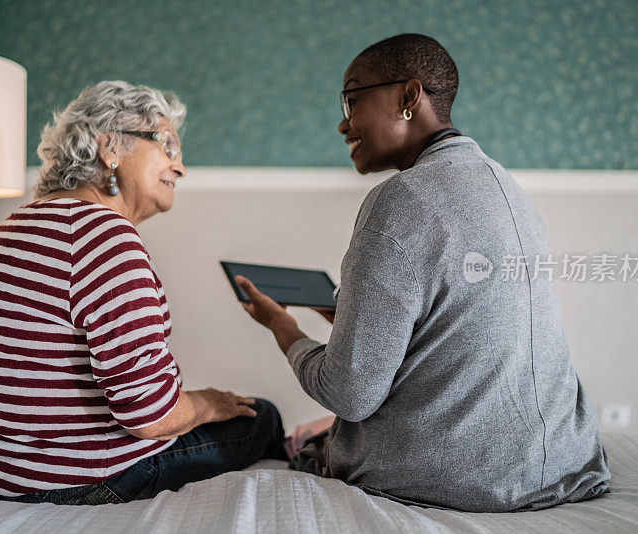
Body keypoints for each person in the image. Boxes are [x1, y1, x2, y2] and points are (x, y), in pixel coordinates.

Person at [236, 34, 610, 512]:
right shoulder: (507, 188)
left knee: (305, 437)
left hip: (462, 475)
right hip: (560, 461)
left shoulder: (400, 200)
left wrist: (283, 328)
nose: (341, 123)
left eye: (352, 100)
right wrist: (351, 320)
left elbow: (349, 395)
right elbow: (459, 334)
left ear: (408, 97)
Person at [0, 81, 286, 505]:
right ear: (109, 147)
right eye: (167, 145)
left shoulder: (2, 234)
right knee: (263, 416)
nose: (180, 168)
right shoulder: (104, 237)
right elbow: (151, 415)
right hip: (72, 479)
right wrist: (208, 403)